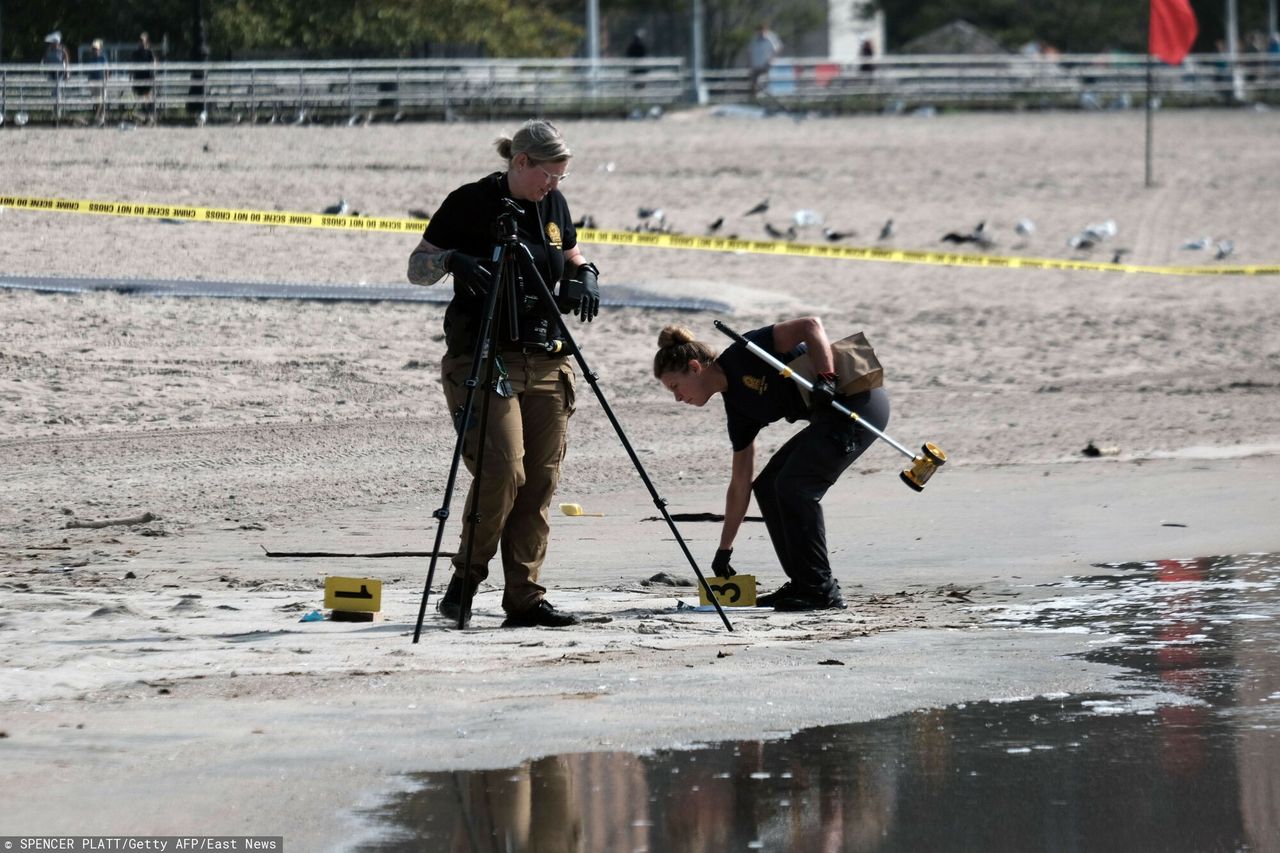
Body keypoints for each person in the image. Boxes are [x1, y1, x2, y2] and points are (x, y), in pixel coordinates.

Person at [406, 119, 600, 629]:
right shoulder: (469, 202)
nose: (553, 186)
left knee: (539, 482)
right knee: (503, 471)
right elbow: (416, 267)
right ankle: (464, 583)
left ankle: (525, 598)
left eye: (560, 177)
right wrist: (454, 260)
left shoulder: (553, 205)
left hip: (548, 358)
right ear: (520, 162)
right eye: (548, 175)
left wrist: (587, 277)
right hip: (484, 354)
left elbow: (573, 254)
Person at [653, 318, 890, 611]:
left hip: (859, 403)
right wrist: (724, 550)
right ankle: (804, 583)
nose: (677, 399)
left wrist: (826, 377)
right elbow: (741, 484)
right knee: (767, 486)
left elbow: (810, 325)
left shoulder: (747, 350)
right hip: (830, 419)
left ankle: (821, 590)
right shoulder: (739, 410)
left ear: (694, 367)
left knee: (795, 486)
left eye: (675, 387)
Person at [747, 22, 782, 98]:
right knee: (753, 82)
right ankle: (754, 99)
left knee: (767, 82)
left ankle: (768, 97)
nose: (760, 32)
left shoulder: (770, 38)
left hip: (767, 64)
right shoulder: (754, 40)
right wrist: (750, 64)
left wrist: (771, 59)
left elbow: (777, 49)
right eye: (759, 31)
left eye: (762, 30)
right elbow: (750, 51)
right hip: (756, 65)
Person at [130, 32, 158, 122]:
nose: (141, 42)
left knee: (148, 97)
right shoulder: (136, 53)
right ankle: (145, 116)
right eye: (140, 41)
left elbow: (154, 63)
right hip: (138, 77)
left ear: (146, 41)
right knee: (141, 97)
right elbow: (132, 64)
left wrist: (153, 71)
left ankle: (150, 115)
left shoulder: (149, 52)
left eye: (143, 41)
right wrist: (131, 75)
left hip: (147, 77)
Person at [86, 39, 110, 125]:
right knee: (96, 100)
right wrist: (89, 80)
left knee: (101, 99)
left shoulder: (103, 58)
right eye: (93, 49)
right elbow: (89, 71)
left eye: (96, 49)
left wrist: (106, 79)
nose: (94, 50)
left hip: (101, 80)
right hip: (93, 81)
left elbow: (107, 69)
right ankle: (99, 117)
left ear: (99, 49)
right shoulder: (91, 59)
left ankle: (100, 117)